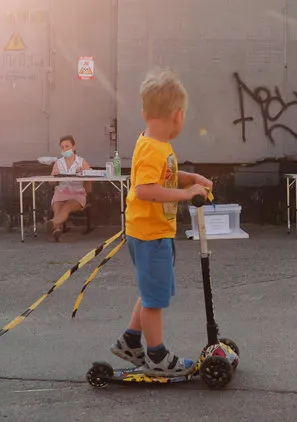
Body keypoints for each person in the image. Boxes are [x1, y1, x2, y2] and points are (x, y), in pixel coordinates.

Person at [109, 68, 212, 377]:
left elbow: (162, 176)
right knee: (154, 299)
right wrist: (186, 194)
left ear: (145, 112)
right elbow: (145, 189)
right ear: (178, 115)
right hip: (150, 234)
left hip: (154, 231)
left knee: (152, 289)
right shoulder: (153, 148)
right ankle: (156, 357)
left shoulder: (154, 143)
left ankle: (130, 341)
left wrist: (190, 178)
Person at [47, 135, 91, 242]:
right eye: (62, 147)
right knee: (57, 206)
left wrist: (84, 172)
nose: (65, 149)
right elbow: (50, 183)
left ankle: (53, 223)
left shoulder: (81, 162)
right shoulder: (58, 163)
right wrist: (54, 176)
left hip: (77, 194)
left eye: (67, 146)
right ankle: (56, 229)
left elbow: (92, 176)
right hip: (61, 192)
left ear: (74, 147)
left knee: (67, 207)